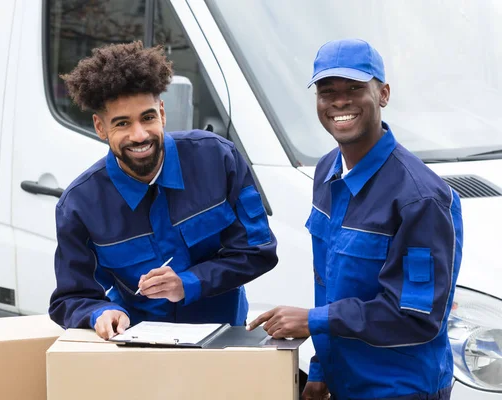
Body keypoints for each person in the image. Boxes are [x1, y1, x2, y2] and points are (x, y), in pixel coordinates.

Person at [247, 39, 463, 400]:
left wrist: (312, 321)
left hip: (399, 389)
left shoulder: (420, 199)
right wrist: (321, 369)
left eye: (354, 88)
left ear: (384, 94)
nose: (339, 101)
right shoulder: (326, 173)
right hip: (343, 383)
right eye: (327, 91)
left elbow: (417, 316)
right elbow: (329, 286)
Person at [48, 41, 278, 340]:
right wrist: (100, 313)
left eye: (147, 117)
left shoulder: (218, 159)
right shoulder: (80, 205)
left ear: (162, 113)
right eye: (122, 123)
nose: (139, 134)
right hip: (137, 351)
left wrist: (189, 282)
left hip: (223, 342)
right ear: (100, 127)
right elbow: (71, 297)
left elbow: (258, 251)